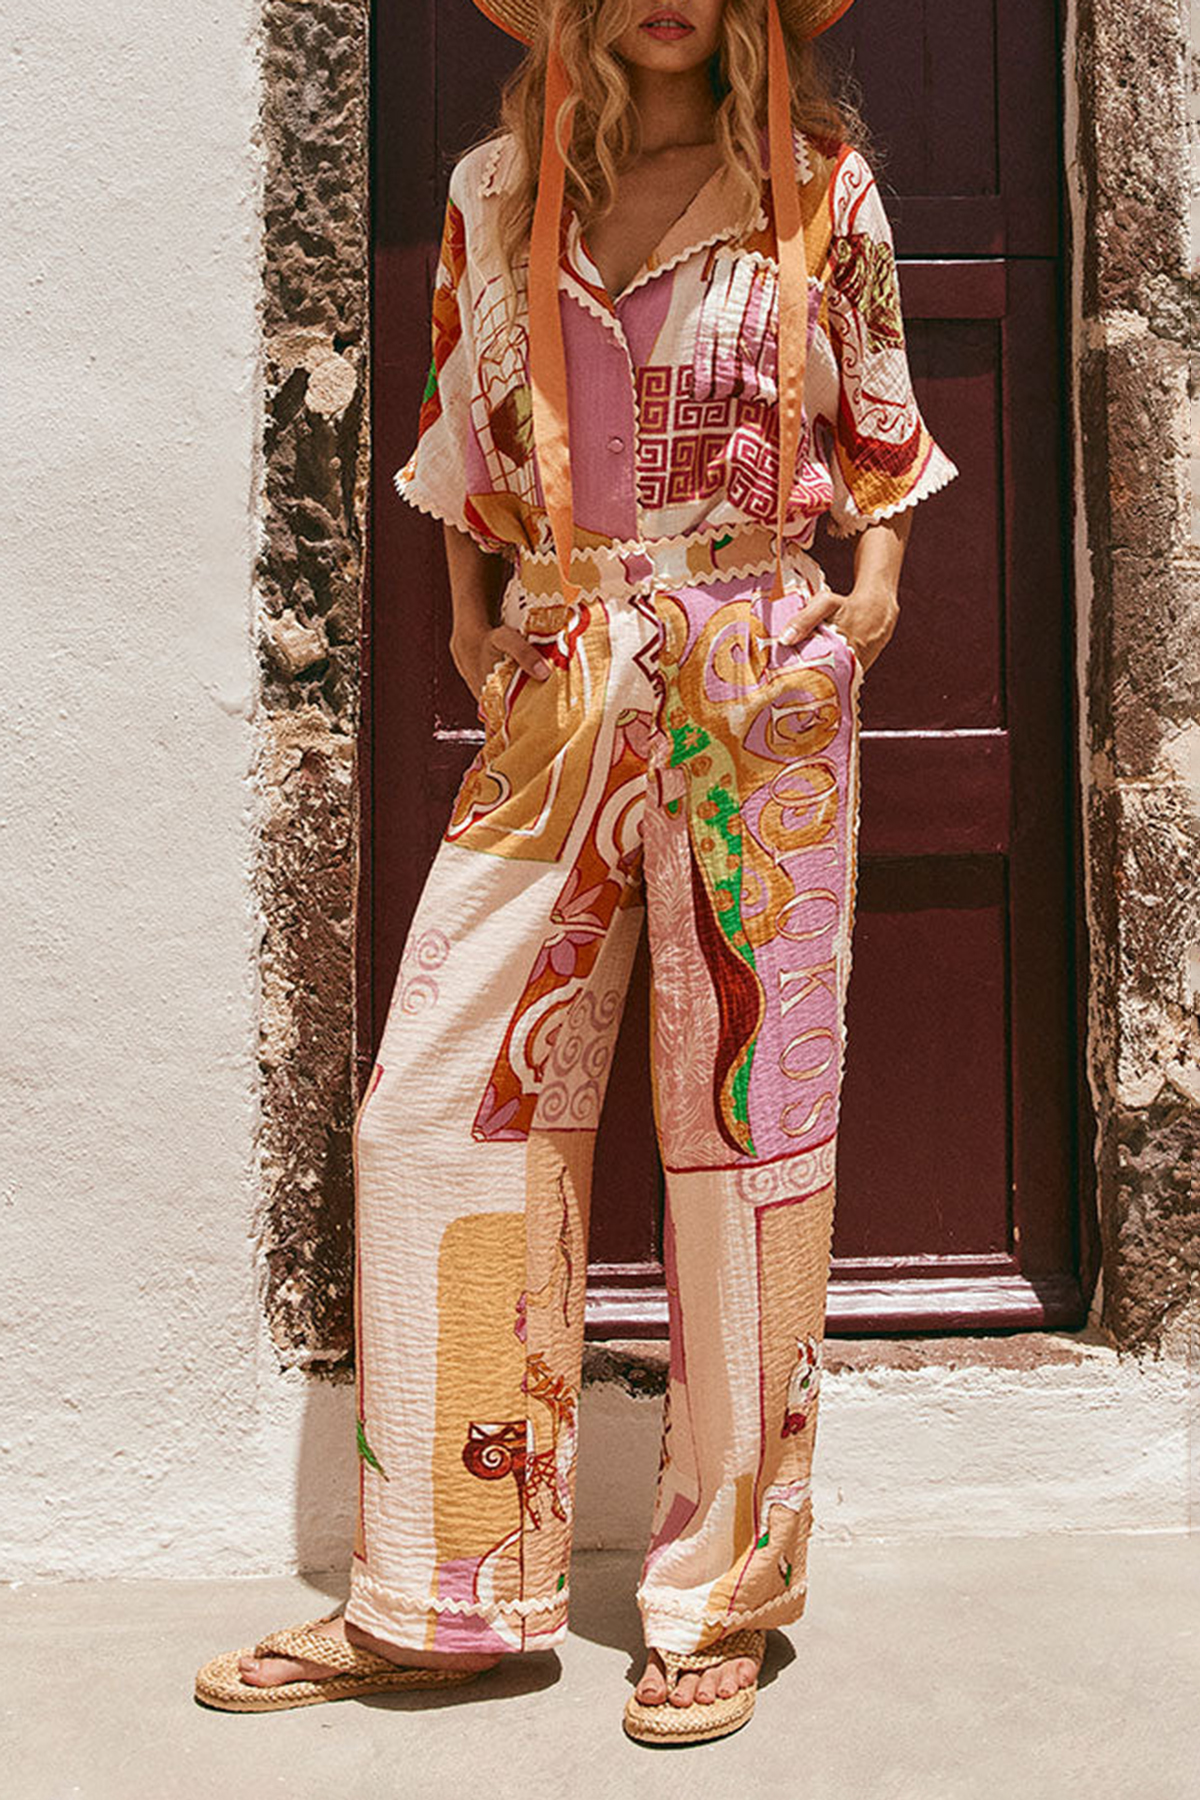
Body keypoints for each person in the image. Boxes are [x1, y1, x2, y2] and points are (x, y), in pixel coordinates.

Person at [196, 0, 957, 1747]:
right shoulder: (491, 192)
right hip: (560, 671)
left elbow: (885, 424)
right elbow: (466, 438)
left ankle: (719, 1599)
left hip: (760, 667)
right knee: (438, 1105)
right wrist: (471, 626)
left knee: (745, 1132)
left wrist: (875, 592)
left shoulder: (821, 194)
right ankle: (444, 1596)